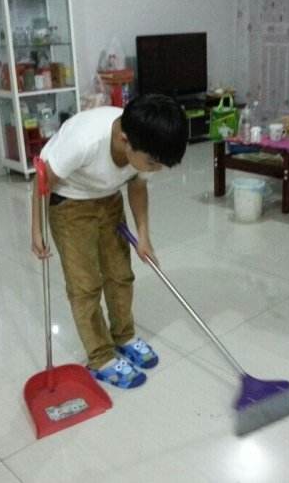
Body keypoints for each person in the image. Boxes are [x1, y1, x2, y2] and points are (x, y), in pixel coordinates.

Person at [31, 94, 187, 388]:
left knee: (120, 274)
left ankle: (124, 336)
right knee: (85, 285)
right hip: (69, 204)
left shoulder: (146, 142)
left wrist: (144, 238)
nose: (153, 168)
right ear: (124, 139)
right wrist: (36, 231)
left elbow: (138, 188)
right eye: (152, 162)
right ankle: (100, 356)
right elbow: (42, 181)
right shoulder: (85, 141)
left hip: (109, 198)